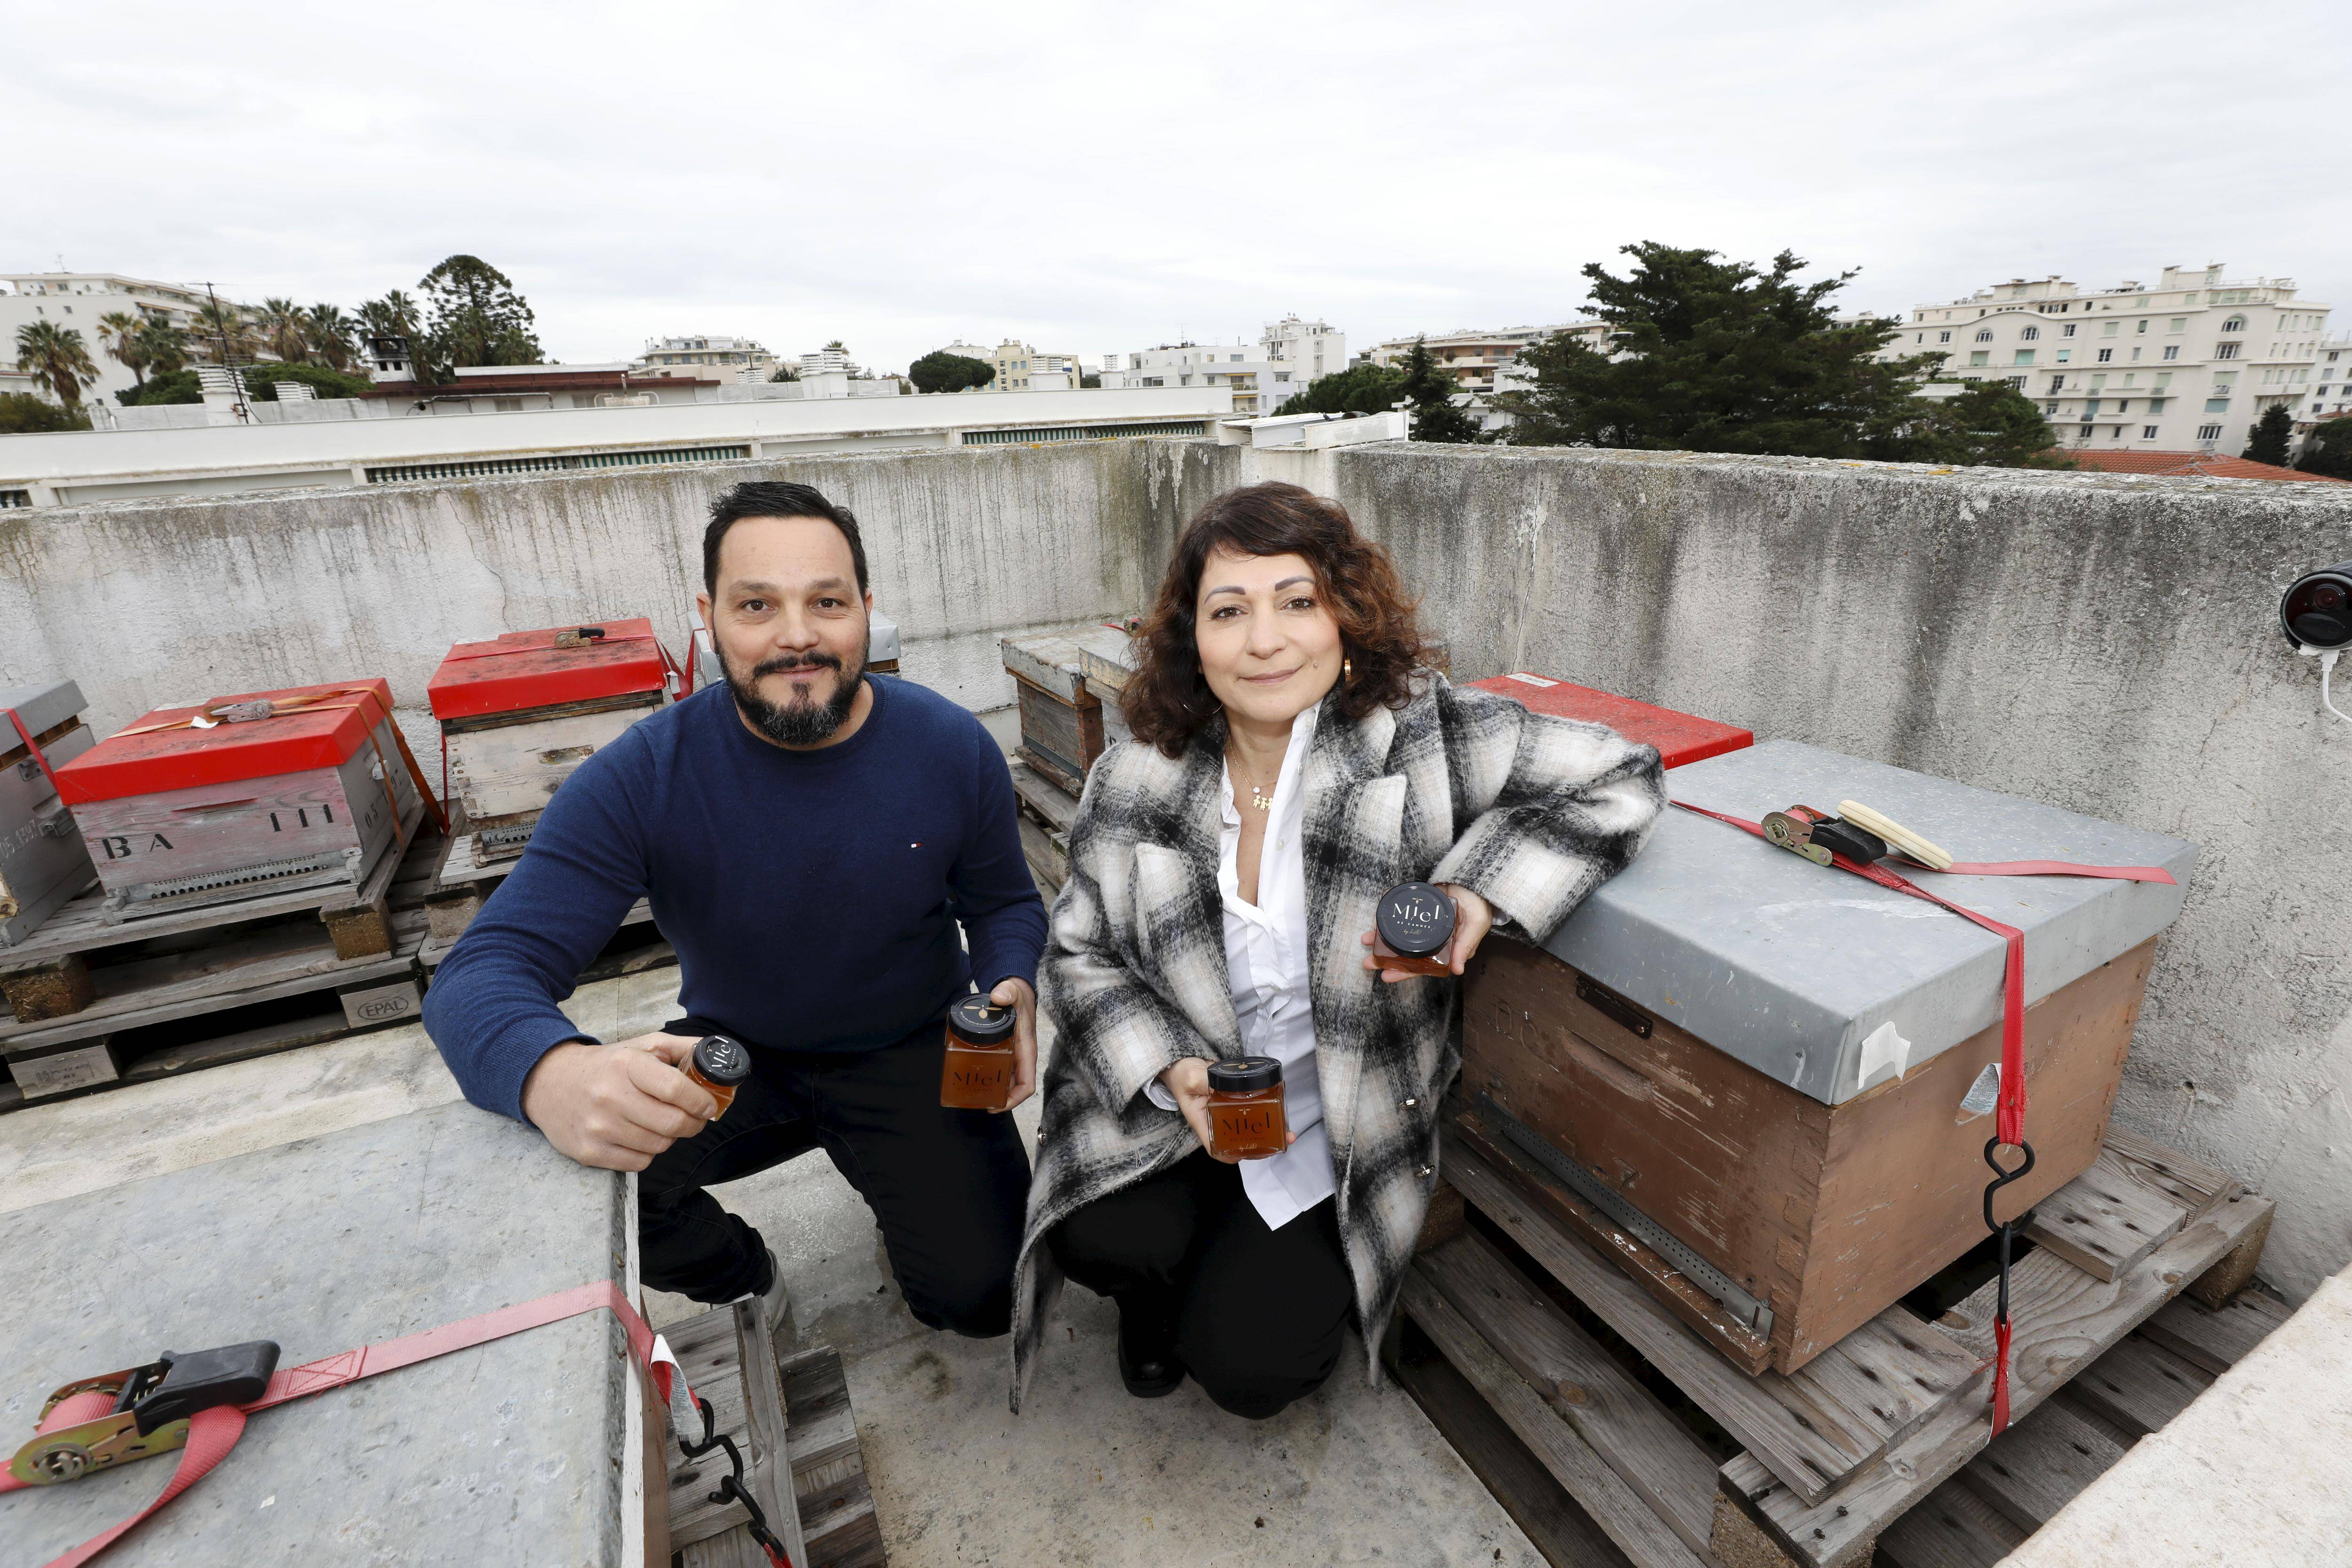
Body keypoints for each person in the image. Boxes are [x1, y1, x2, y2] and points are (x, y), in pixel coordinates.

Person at [1009, 482, 1665, 1419]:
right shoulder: (1138, 772)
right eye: (1228, 611)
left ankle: (1222, 1281)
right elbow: (1077, 953)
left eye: (1297, 601)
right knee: (1098, 1232)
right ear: (1191, 638)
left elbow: (1620, 773)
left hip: (1336, 1115)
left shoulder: (1425, 738)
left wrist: (1475, 892)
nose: (1264, 640)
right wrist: (1172, 1068)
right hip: (1177, 1095)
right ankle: (1146, 1300)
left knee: (1253, 1372)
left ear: (1346, 616)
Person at [425, 479, 1046, 1340]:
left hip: (912, 1048)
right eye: (757, 604)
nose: (797, 635)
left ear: (866, 611)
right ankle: (743, 1273)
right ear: (709, 618)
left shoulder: (950, 746)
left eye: (827, 602)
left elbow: (1006, 900)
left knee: (985, 1301)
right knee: (595, 1184)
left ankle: (905, 1194)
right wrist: (551, 1074)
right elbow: (479, 973)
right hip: (735, 1056)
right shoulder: (644, 776)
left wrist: (1013, 979)